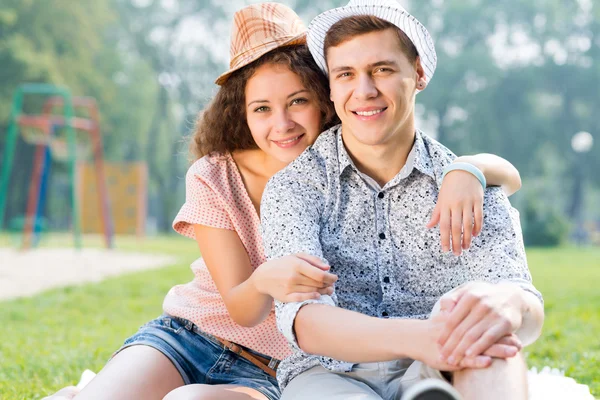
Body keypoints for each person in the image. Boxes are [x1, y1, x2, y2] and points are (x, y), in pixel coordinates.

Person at [43, 3, 524, 400]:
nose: (283, 124)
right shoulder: (218, 175)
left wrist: (474, 168)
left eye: (297, 102)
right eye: (262, 109)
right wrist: (266, 279)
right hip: (195, 334)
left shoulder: (351, 160)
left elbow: (488, 174)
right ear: (242, 111)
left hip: (275, 362)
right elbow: (241, 306)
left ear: (323, 99)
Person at [260, 1, 545, 400]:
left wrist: (509, 303)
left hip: (444, 360)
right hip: (331, 374)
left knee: (494, 347)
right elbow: (305, 322)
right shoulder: (295, 187)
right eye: (346, 74)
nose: (365, 91)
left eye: (382, 69)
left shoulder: (469, 183)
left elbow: (523, 299)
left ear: (419, 73)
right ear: (331, 86)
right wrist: (422, 337)